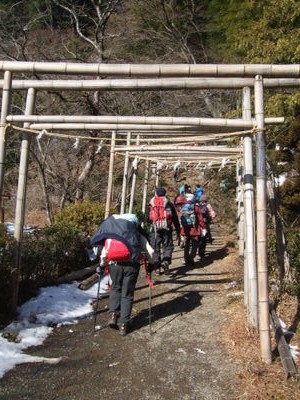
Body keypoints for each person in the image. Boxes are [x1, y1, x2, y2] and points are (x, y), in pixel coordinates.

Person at [89, 213, 154, 336]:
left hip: (114, 264)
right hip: (132, 265)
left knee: (115, 289)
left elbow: (104, 251)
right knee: (127, 294)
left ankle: (113, 315)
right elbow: (150, 250)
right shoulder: (135, 230)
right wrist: (151, 264)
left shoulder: (111, 229)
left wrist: (102, 265)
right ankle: (123, 324)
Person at [147, 187, 180, 275]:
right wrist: (178, 231)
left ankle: (157, 268)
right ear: (165, 194)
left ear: (156, 194)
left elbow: (147, 219)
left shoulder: (151, 203)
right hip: (167, 229)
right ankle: (166, 261)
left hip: (154, 230)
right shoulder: (169, 204)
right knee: (168, 247)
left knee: (155, 248)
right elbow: (175, 219)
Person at [180, 192, 205, 267]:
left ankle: (186, 259)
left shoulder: (182, 206)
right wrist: (203, 227)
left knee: (187, 245)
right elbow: (200, 218)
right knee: (195, 244)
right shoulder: (196, 207)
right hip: (195, 229)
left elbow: (180, 218)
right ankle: (191, 257)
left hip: (185, 229)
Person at [197, 194, 217, 263]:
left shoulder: (196, 205)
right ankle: (201, 253)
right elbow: (213, 215)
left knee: (198, 238)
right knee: (204, 238)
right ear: (206, 200)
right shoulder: (208, 205)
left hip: (197, 224)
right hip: (204, 224)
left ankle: (197, 250)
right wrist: (210, 217)